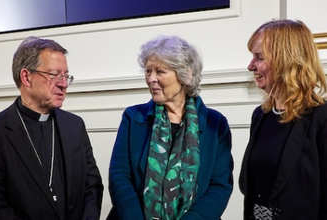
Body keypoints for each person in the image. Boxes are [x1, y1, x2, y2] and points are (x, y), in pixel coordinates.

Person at [107, 35, 233, 220]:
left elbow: (219, 186)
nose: (151, 79)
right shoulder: (134, 118)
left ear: (186, 75)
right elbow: (119, 176)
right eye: (148, 71)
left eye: (160, 71)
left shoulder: (215, 123)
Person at [0, 36, 104, 220]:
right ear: (26, 77)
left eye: (66, 76)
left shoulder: (74, 126)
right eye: (54, 75)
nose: (63, 84)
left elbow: (92, 185)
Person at [239, 19, 327, 220]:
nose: (251, 66)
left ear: (286, 60)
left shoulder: (321, 118)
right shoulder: (261, 115)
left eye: (259, 57)